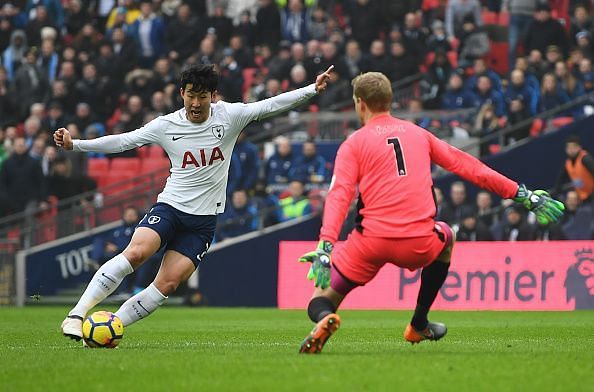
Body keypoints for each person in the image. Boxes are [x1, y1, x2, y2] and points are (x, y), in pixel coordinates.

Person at [56, 63, 334, 341]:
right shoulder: (166, 125)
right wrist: (76, 145)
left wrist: (312, 89)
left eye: (203, 96)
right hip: (171, 208)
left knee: (167, 283)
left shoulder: (230, 116)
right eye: (191, 95)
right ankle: (76, 315)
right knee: (137, 253)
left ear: (213, 96)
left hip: (202, 222)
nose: (196, 102)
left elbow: (270, 105)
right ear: (182, 94)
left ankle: (110, 329)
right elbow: (124, 141)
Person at [297, 72, 565, 354]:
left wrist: (326, 245)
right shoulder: (419, 134)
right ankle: (418, 323)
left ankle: (326, 317)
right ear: (390, 100)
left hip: (369, 244)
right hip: (418, 243)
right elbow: (470, 167)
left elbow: (340, 195)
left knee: (320, 299)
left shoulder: (353, 143)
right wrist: (522, 194)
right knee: (447, 236)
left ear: (360, 103)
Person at [554, 135, 594, 203]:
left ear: (579, 147)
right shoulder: (567, 163)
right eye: (569, 148)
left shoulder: (586, 159)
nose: (571, 150)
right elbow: (560, 180)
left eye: (573, 147)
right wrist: (556, 193)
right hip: (582, 197)